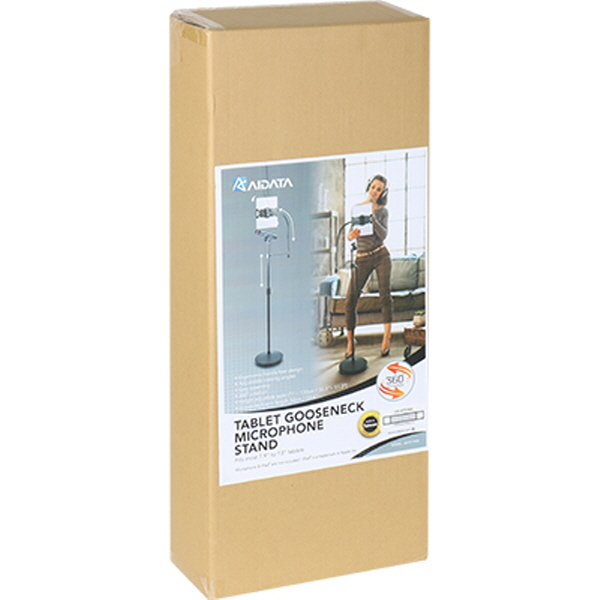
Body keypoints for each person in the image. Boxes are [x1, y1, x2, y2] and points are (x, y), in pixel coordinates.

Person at [344, 175, 392, 358]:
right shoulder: (357, 209)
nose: (375, 191)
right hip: (362, 258)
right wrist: (351, 236)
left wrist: (373, 216)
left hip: (380, 255)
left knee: (385, 296)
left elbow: (383, 235)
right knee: (350, 301)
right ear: (368, 187)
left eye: (379, 189)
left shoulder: (383, 211)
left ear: (382, 193)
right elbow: (351, 233)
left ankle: (386, 338)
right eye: (373, 187)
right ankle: (350, 342)